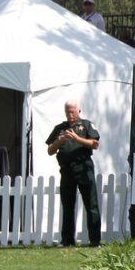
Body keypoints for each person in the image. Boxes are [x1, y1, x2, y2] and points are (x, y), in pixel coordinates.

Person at [46, 101, 101, 246]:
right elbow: (50, 151)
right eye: (67, 112)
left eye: (73, 112)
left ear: (79, 111)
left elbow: (94, 144)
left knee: (91, 204)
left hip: (83, 168)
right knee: (68, 206)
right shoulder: (60, 128)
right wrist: (59, 141)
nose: (70, 115)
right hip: (67, 170)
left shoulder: (87, 125)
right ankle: (67, 240)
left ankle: (95, 240)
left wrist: (77, 138)